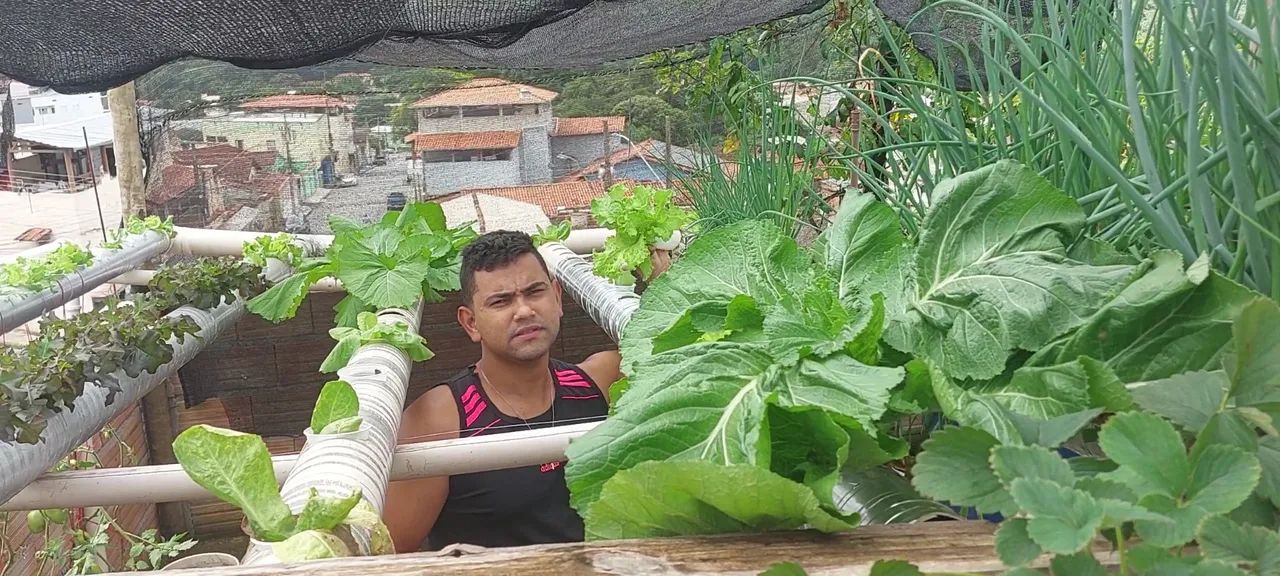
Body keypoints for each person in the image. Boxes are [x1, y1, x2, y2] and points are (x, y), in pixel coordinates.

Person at [383, 230, 670, 553]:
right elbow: (386, 554)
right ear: (471, 323)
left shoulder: (602, 381)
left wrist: (666, 284)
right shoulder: (439, 419)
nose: (523, 311)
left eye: (535, 292)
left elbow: (677, 354)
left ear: (558, 298)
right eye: (501, 301)